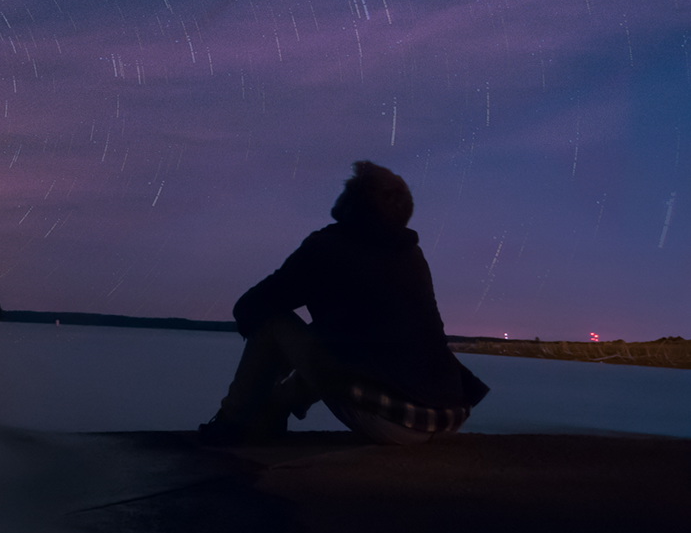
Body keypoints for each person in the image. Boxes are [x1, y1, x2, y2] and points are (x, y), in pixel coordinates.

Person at [199, 160, 488, 446]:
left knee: (273, 324)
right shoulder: (412, 256)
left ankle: (233, 422)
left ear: (351, 203)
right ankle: (274, 408)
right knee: (339, 339)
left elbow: (251, 306)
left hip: (392, 420)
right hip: (445, 416)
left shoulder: (328, 247)